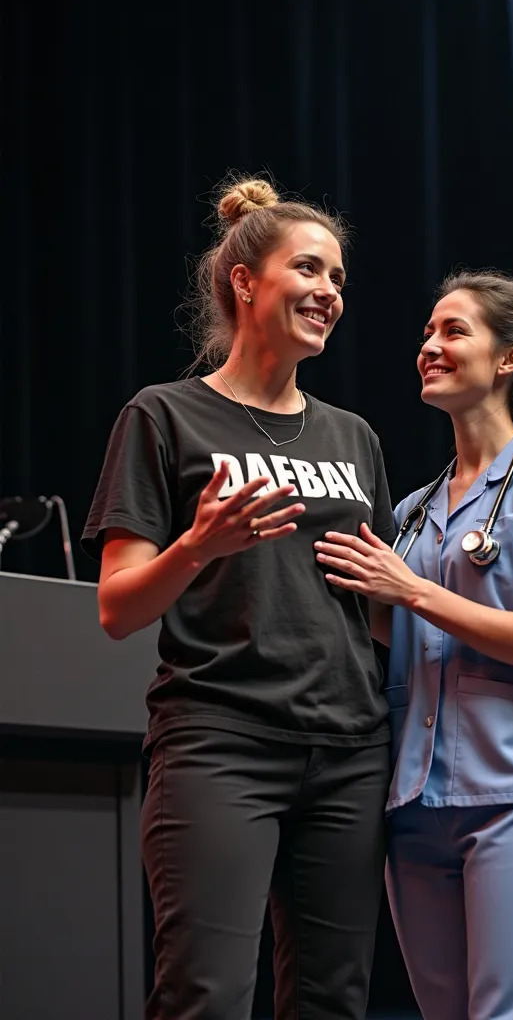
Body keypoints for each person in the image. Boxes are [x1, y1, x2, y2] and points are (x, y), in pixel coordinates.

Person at [81, 176, 400, 1020]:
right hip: (220, 740)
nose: (329, 293)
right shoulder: (163, 416)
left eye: (338, 279)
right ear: (245, 281)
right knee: (206, 997)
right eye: (309, 270)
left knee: (334, 1000)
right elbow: (118, 608)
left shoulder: (353, 437)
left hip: (350, 748)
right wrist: (196, 545)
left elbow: (385, 604)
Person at [314, 269, 513, 1020]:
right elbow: (403, 629)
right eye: (426, 333)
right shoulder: (414, 509)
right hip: (416, 805)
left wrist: (411, 591)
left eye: (453, 331)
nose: (429, 347)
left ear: (509, 359)